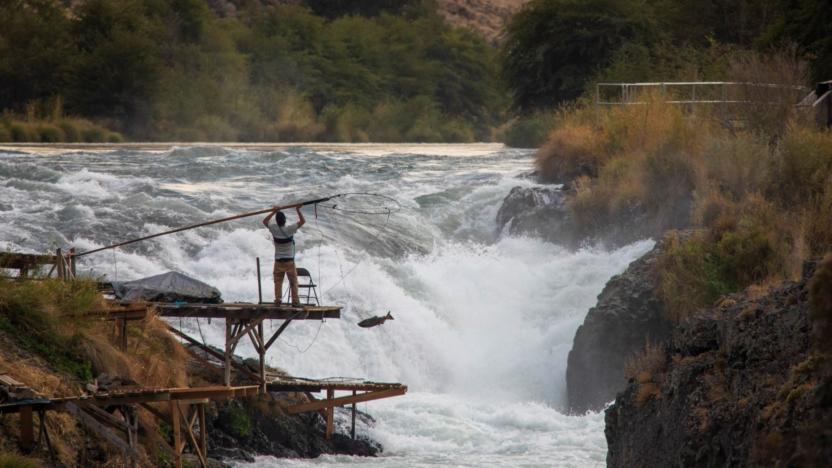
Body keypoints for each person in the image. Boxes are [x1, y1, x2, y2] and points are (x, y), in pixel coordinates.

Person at [262, 205, 305, 306]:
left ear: (277, 221)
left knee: (278, 283)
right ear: (285, 220)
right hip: (289, 262)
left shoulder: (273, 229)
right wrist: (298, 210)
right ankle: (295, 302)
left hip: (278, 261)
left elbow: (264, 221)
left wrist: (273, 212)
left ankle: (278, 301)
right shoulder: (290, 229)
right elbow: (302, 221)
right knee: (293, 282)